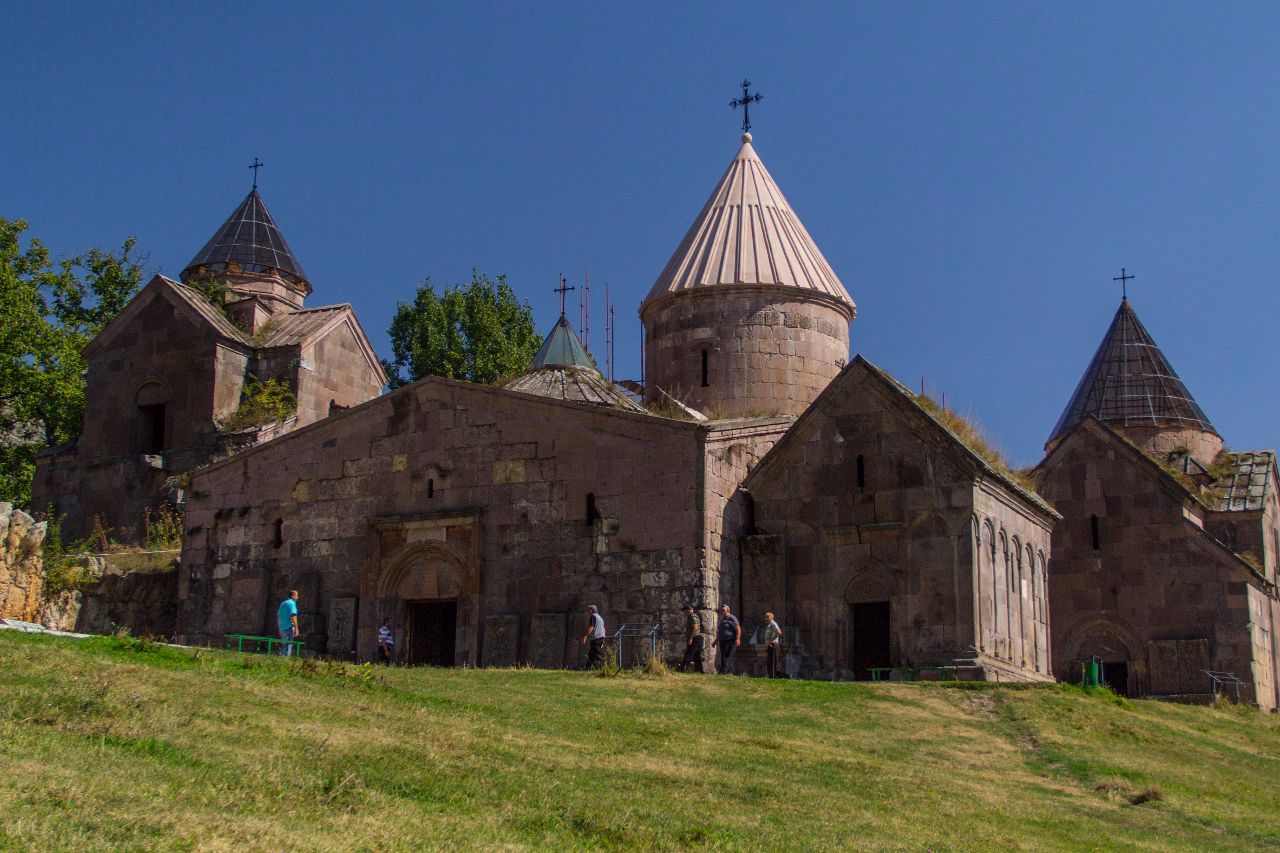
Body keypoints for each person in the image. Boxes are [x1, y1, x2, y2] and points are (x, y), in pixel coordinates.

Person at [712, 603, 741, 674]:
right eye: (721, 610)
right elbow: (721, 631)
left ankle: (724, 671)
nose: (722, 612)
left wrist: (738, 639)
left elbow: (738, 629)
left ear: (727, 611)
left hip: (729, 640)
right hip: (722, 640)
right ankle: (724, 671)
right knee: (723, 655)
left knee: (727, 655)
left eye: (723, 610)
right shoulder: (723, 619)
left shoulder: (732, 618)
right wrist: (716, 641)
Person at [678, 604, 705, 673]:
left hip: (695, 638)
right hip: (696, 638)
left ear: (688, 611)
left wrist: (690, 638)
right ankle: (699, 671)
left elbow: (695, 628)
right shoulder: (692, 617)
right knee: (696, 656)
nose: (684, 613)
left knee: (688, 654)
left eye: (684, 611)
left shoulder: (692, 617)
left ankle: (683, 669)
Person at [277, 590, 300, 656]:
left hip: (281, 627)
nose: (297, 597)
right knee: (288, 647)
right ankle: (284, 660)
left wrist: (279, 625)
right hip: (289, 627)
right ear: (293, 596)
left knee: (284, 645)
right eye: (297, 596)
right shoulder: (292, 603)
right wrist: (296, 628)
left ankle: (281, 658)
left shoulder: (283, 603)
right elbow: (293, 616)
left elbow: (278, 614)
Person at [761, 611, 783, 677]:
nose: (766, 618)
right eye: (765, 617)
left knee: (773, 661)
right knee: (769, 661)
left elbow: (779, 632)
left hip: (774, 645)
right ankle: (771, 675)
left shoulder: (773, 624)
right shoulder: (769, 625)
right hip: (770, 646)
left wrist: (771, 641)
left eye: (767, 617)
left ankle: (774, 676)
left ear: (772, 617)